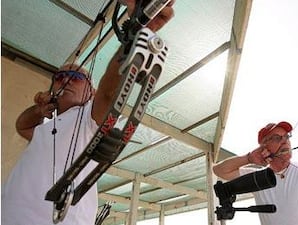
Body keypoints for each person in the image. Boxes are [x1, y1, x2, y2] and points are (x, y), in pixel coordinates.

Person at [1, 1, 174, 224]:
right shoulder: (47, 126)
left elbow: (108, 94)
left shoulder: (89, 118)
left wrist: (140, 31)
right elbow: (21, 126)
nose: (66, 80)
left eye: (76, 77)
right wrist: (37, 110)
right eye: (60, 77)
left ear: (90, 91)